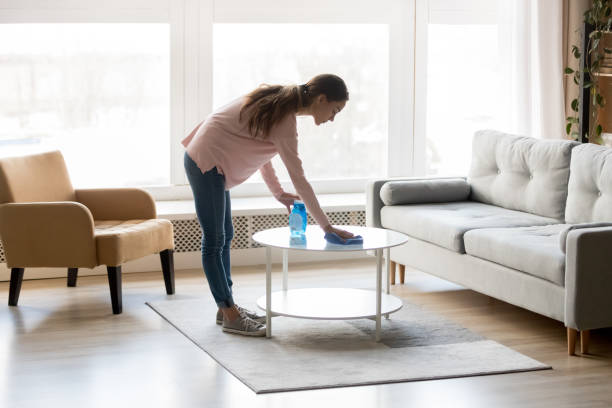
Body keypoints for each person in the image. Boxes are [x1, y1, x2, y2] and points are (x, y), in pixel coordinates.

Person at [182, 74, 355, 336]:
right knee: (214, 239)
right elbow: (300, 179)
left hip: (210, 161)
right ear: (321, 99)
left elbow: (263, 153)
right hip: (205, 162)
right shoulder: (285, 119)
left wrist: (277, 193)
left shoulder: (278, 103)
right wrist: (326, 226)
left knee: (225, 234)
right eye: (335, 110)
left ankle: (226, 307)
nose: (332, 118)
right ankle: (230, 313)